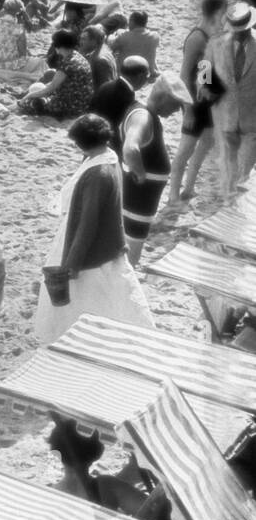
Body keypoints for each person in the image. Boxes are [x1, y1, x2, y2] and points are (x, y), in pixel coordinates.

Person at [34, 114, 154, 345]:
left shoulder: (97, 174)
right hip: (110, 243)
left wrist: (72, 263)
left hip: (93, 251)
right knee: (116, 295)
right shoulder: (109, 158)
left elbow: (87, 223)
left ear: (81, 143)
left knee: (86, 298)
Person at [120, 73, 191, 264]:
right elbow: (130, 148)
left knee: (128, 252)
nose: (177, 110)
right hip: (136, 203)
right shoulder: (143, 117)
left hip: (139, 203)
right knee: (130, 256)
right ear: (162, 97)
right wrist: (141, 174)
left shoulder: (146, 115)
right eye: (175, 104)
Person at [166, 0, 228, 205]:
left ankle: (189, 187)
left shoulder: (212, 35)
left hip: (208, 101)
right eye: (223, 13)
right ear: (214, 13)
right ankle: (173, 195)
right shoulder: (197, 38)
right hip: (194, 101)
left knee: (206, 142)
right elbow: (184, 75)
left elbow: (206, 69)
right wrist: (189, 109)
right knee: (186, 148)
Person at [204, 1, 256, 196]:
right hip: (226, 112)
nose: (239, 32)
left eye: (243, 29)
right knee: (229, 159)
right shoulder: (217, 43)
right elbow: (204, 67)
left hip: (253, 116)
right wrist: (209, 90)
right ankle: (229, 194)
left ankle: (238, 194)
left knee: (247, 163)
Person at [18, 29, 95, 118]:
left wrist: (30, 95)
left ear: (59, 45)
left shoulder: (67, 63)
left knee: (28, 104)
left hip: (71, 107)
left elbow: (51, 88)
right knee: (44, 85)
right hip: (81, 103)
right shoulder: (76, 55)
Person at [89, 56, 151, 142]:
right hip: (107, 142)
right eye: (147, 76)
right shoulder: (126, 97)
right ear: (140, 76)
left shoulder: (106, 85)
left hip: (92, 136)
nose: (147, 79)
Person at [109, 11, 159, 76]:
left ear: (132, 22)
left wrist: (112, 37)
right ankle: (153, 71)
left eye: (129, 21)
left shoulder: (124, 37)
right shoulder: (154, 36)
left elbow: (111, 49)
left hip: (125, 72)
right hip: (144, 72)